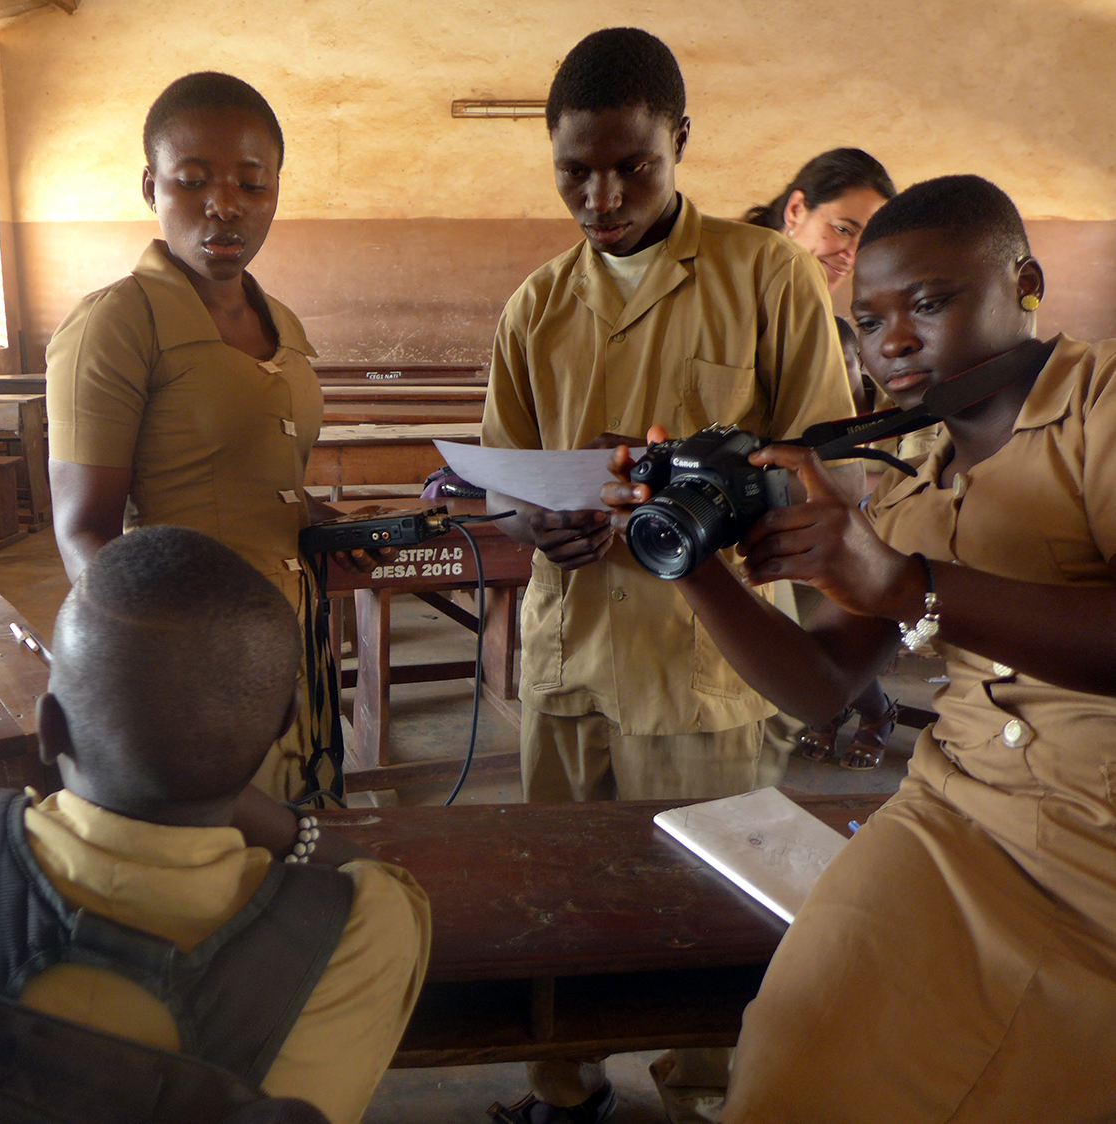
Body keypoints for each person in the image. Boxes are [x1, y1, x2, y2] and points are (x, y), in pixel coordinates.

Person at [600, 175, 1116, 1121]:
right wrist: (684, 560)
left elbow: (910, 598)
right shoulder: (906, 482)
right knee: (793, 1059)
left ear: (1025, 282)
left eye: (929, 303)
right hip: (952, 818)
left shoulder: (1100, 405)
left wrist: (910, 588)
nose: (895, 343)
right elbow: (819, 684)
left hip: (1101, 851)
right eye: (869, 321)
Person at [479, 27, 858, 1124]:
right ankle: (564, 1082)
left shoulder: (767, 277)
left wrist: (704, 500)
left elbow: (828, 468)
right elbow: (508, 471)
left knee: (716, 904)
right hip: (567, 654)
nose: (600, 194)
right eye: (574, 171)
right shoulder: (535, 307)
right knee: (555, 893)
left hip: (710, 656)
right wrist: (535, 518)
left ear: (678, 141)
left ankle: (702, 1093)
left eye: (630, 164)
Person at [0, 527, 432, 1124]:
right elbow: (372, 877)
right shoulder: (362, 925)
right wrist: (253, 795)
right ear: (282, 728)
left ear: (48, 729)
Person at [44, 72, 379, 803]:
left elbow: (257, 484)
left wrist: (321, 522)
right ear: (150, 185)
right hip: (187, 680)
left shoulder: (282, 325)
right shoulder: (115, 324)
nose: (223, 206)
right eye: (192, 181)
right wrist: (173, 683)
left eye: (252, 187)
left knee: (292, 851)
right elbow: (84, 533)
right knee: (203, 877)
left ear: (277, 192)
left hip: (292, 650)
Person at [788, 316, 900, 771]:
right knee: (806, 638)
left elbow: (914, 466)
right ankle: (832, 710)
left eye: (845, 364)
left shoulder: (898, 405)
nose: (835, 376)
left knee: (845, 634)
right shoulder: (802, 416)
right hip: (803, 547)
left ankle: (876, 713)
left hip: (880, 542)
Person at [742, 148, 895, 292]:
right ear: (795, 210)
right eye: (843, 230)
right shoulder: (724, 292)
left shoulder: (826, 319)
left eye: (867, 241)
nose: (853, 257)